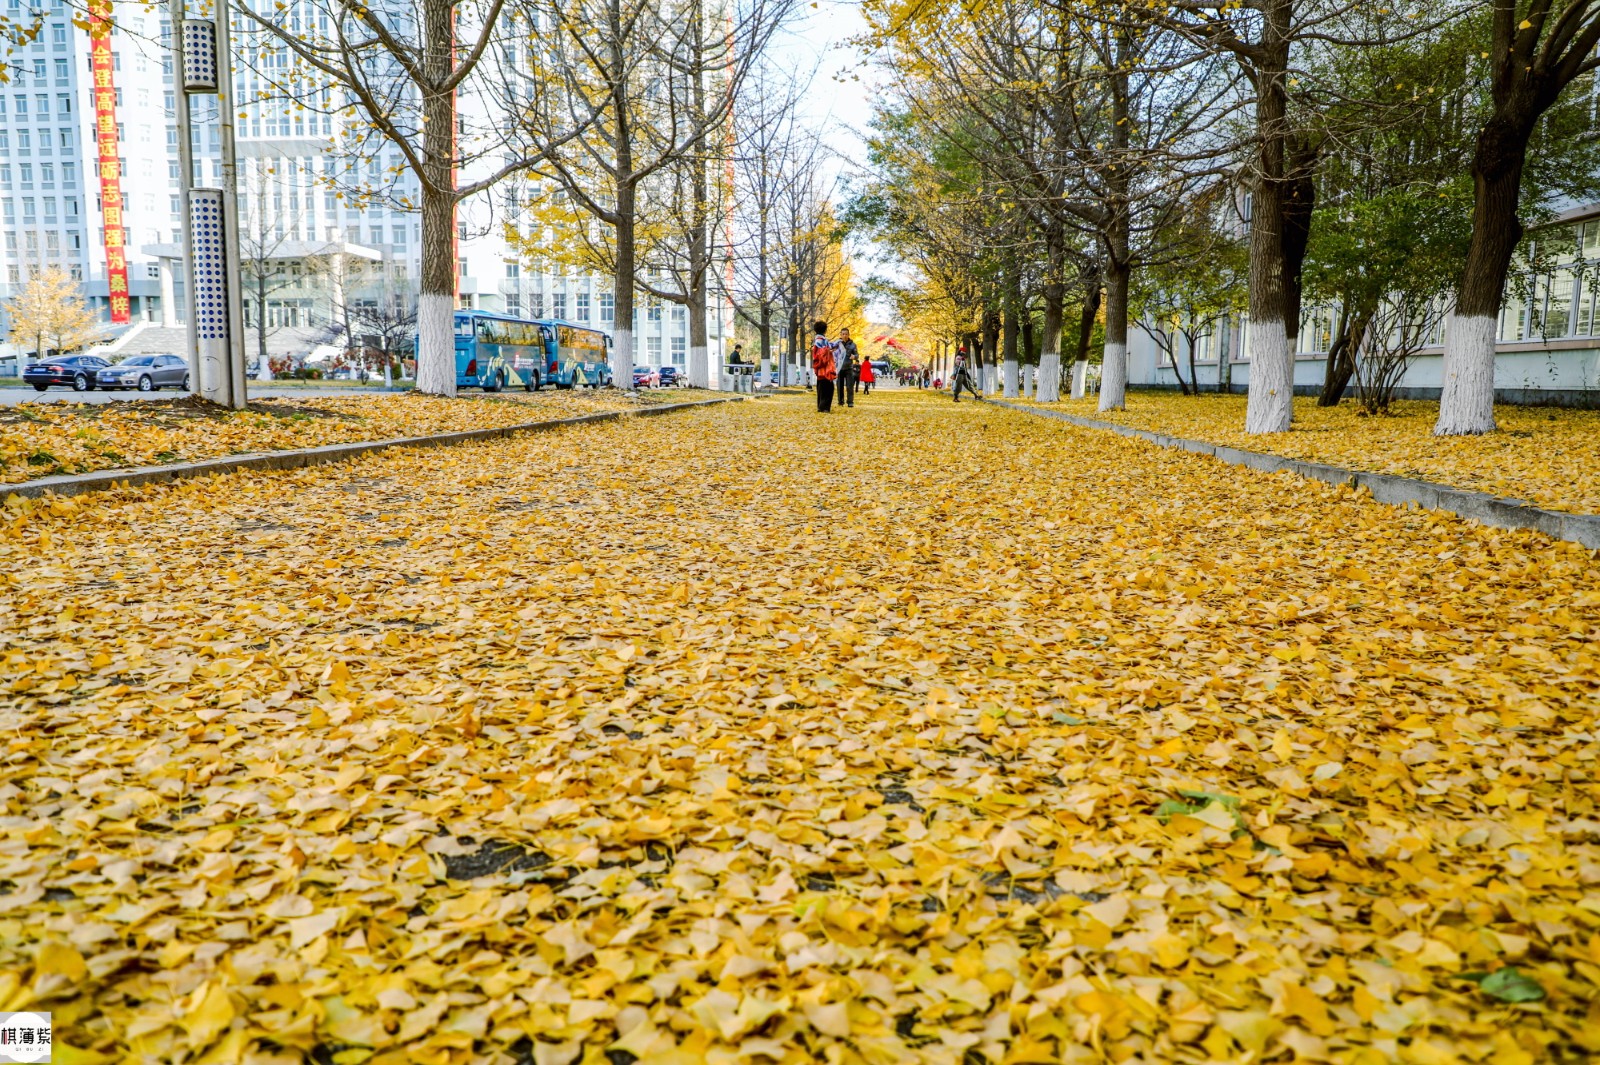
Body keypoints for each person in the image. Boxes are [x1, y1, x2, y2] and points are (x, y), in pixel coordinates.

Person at [811, 321, 837, 412]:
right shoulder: (822, 340)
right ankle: (825, 407)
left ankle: (820, 406)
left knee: (821, 387)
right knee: (828, 388)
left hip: (819, 369)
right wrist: (829, 351)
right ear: (825, 330)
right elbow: (823, 354)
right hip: (826, 368)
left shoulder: (817, 340)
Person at [835, 328, 860, 407]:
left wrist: (854, 357)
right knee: (839, 386)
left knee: (850, 386)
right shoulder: (837, 344)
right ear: (841, 335)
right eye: (843, 334)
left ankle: (850, 402)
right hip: (839, 368)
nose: (845, 335)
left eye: (846, 334)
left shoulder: (853, 344)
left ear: (848, 335)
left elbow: (857, 355)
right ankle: (840, 401)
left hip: (849, 368)